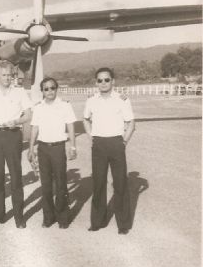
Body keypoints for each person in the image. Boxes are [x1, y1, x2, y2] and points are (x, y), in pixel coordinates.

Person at [0, 60, 33, 228]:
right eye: (4, 75)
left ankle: (19, 217)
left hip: (12, 136)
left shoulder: (20, 92)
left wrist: (16, 120)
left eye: (10, 75)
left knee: (16, 177)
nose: (7, 78)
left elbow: (29, 114)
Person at [83, 67, 135, 235]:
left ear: (113, 81)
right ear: (96, 82)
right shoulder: (91, 100)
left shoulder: (122, 99)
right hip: (98, 144)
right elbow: (85, 119)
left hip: (116, 143)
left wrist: (124, 142)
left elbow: (131, 123)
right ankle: (97, 221)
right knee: (98, 183)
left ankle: (123, 224)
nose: (103, 83)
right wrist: (92, 137)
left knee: (120, 183)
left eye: (107, 80)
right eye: (100, 80)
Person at [28, 77, 77, 229]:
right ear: (42, 91)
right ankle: (48, 217)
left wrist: (73, 146)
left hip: (58, 148)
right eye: (46, 89)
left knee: (61, 184)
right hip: (43, 149)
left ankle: (63, 217)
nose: (49, 91)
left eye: (52, 88)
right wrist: (31, 149)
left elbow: (70, 126)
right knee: (46, 185)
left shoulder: (65, 106)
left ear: (57, 89)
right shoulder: (38, 107)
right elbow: (34, 128)